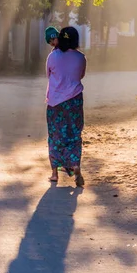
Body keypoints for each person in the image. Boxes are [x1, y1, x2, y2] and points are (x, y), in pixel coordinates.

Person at [46, 26, 86, 187]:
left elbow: (49, 75)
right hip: (75, 101)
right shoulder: (81, 57)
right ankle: (75, 165)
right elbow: (81, 75)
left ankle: (55, 173)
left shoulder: (53, 56)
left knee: (55, 136)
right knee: (74, 135)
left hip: (55, 102)